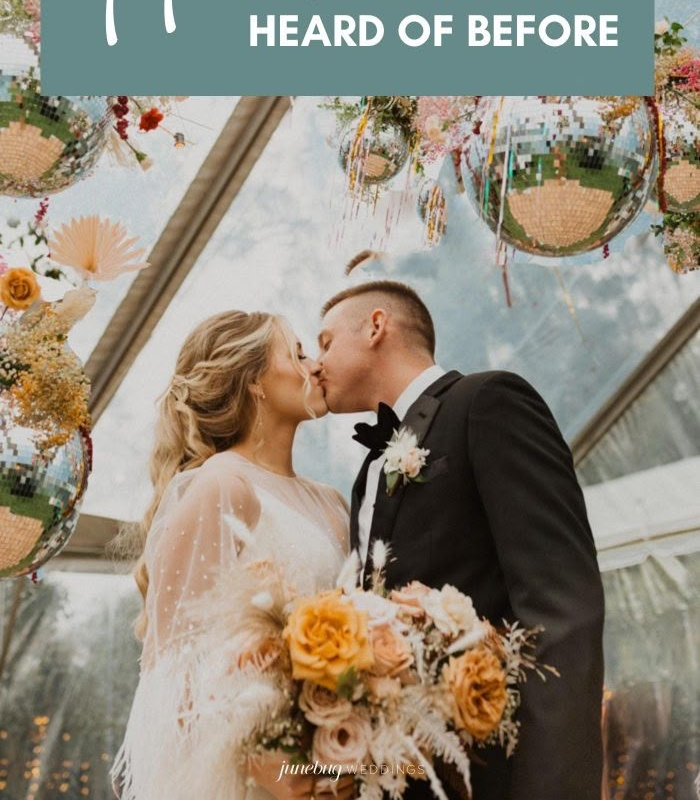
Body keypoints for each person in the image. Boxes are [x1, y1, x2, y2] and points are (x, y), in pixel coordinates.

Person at [316, 280, 605, 800]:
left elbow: (562, 606)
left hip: (498, 772)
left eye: (326, 342)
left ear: (377, 326)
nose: (316, 364)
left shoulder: (488, 401)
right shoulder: (366, 473)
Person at [112, 310, 353, 800]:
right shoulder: (224, 484)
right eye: (298, 353)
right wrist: (276, 771)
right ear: (256, 382)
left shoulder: (332, 502)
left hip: (334, 764)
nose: (314, 366)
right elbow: (175, 673)